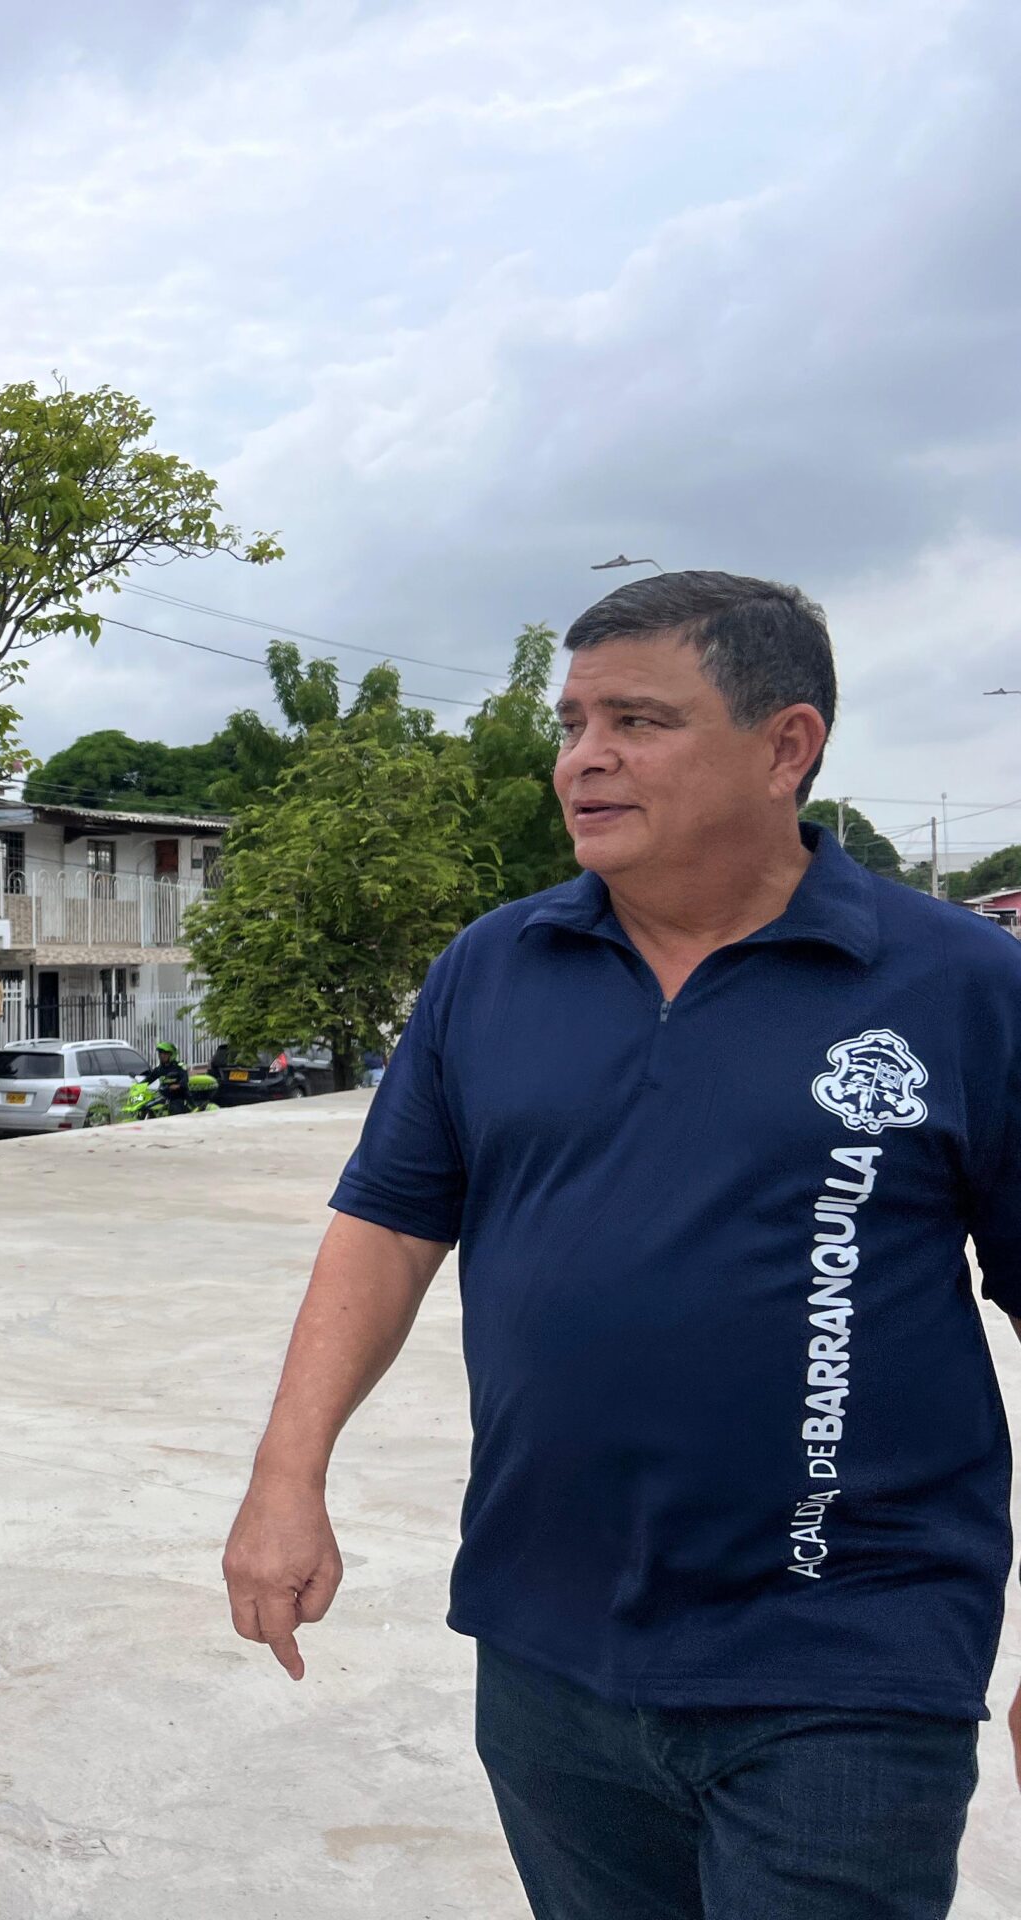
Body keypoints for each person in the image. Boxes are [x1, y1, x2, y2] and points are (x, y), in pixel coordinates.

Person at [221, 571, 1021, 1920]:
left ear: (788, 747)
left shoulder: (959, 988)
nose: (583, 758)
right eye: (574, 720)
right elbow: (389, 1227)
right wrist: (284, 1476)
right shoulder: (496, 967)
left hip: (843, 1650)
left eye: (638, 721)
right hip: (550, 1645)